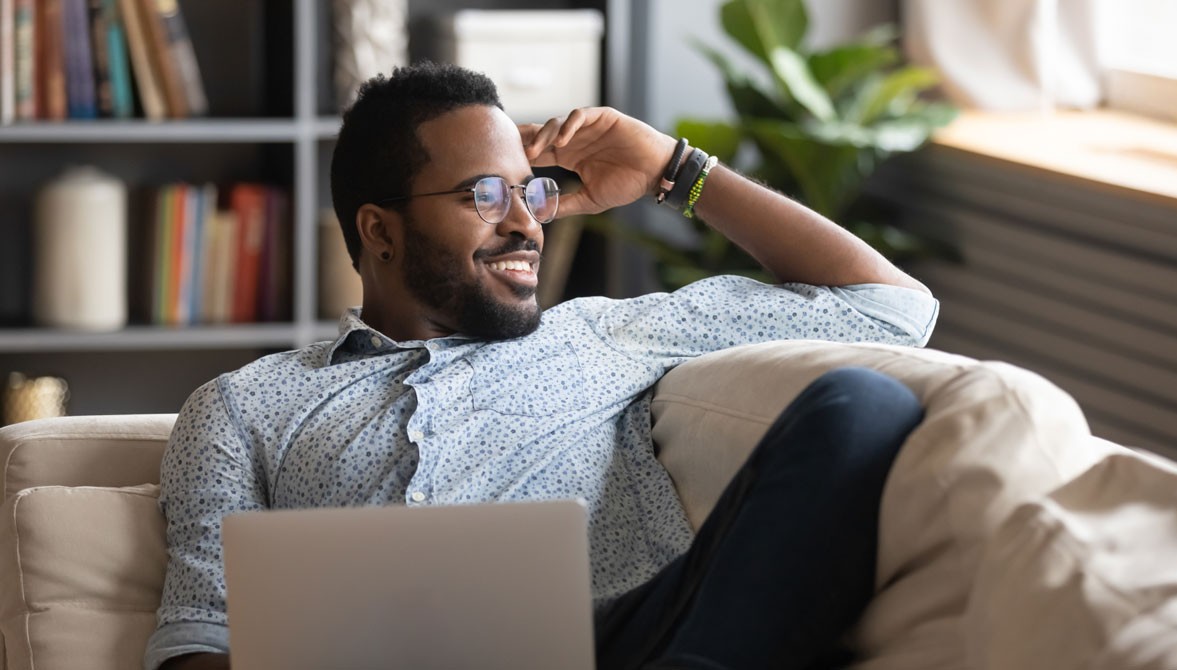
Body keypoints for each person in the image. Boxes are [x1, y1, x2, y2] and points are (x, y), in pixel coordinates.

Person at [145, 62, 938, 670]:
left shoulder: (604, 334)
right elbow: (198, 637)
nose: (527, 224)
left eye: (534, 194)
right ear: (379, 231)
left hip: (622, 641)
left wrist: (674, 168)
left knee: (861, 407)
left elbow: (891, 312)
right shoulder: (244, 406)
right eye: (485, 196)